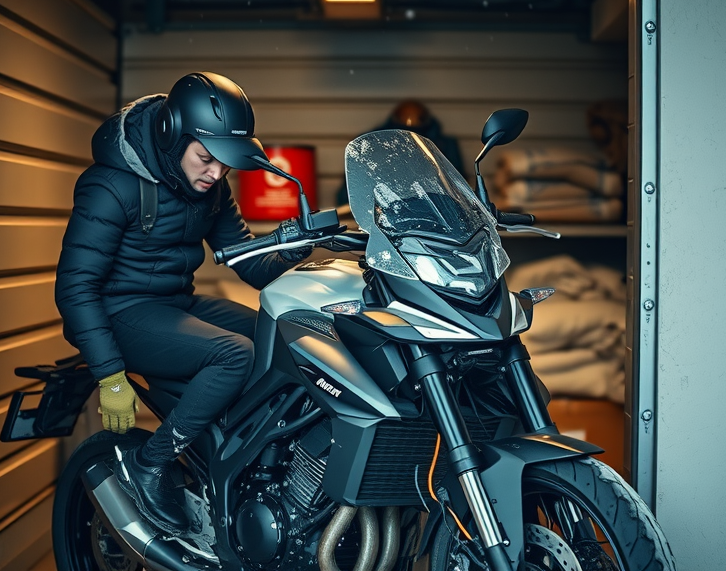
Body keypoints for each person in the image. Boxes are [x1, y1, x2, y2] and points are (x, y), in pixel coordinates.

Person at [55, 72, 311, 540]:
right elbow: (74, 288)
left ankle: (249, 460)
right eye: (206, 158)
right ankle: (149, 464)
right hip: (118, 314)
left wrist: (292, 247)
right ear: (173, 136)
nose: (215, 173)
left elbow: (248, 265)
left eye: (225, 164)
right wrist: (110, 375)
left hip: (175, 304)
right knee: (234, 353)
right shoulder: (110, 186)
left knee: (282, 336)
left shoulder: (209, 188)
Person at [335, 99, 467, 206]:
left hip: (436, 212)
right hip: (385, 211)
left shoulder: (444, 146)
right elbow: (352, 191)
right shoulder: (372, 146)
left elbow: (457, 189)